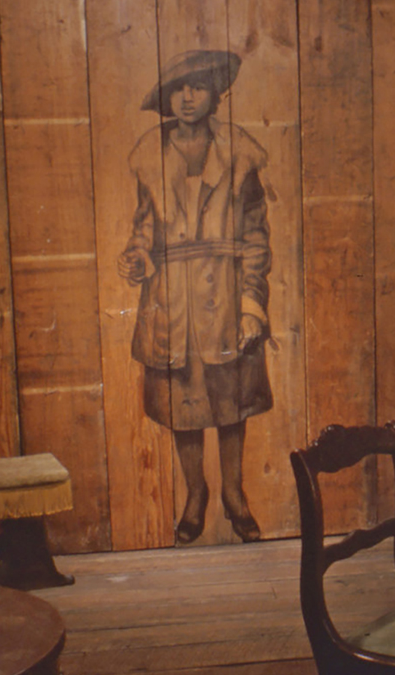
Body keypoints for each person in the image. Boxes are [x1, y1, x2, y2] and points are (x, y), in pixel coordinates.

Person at [117, 50, 271, 544]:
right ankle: (195, 494)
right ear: (167, 97)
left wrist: (251, 302)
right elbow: (144, 227)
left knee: (230, 405)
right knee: (182, 406)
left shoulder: (240, 154)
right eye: (178, 89)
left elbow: (255, 235)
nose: (187, 98)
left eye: (197, 88)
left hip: (225, 297)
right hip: (171, 300)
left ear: (215, 94)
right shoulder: (150, 154)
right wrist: (138, 257)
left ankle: (234, 495)